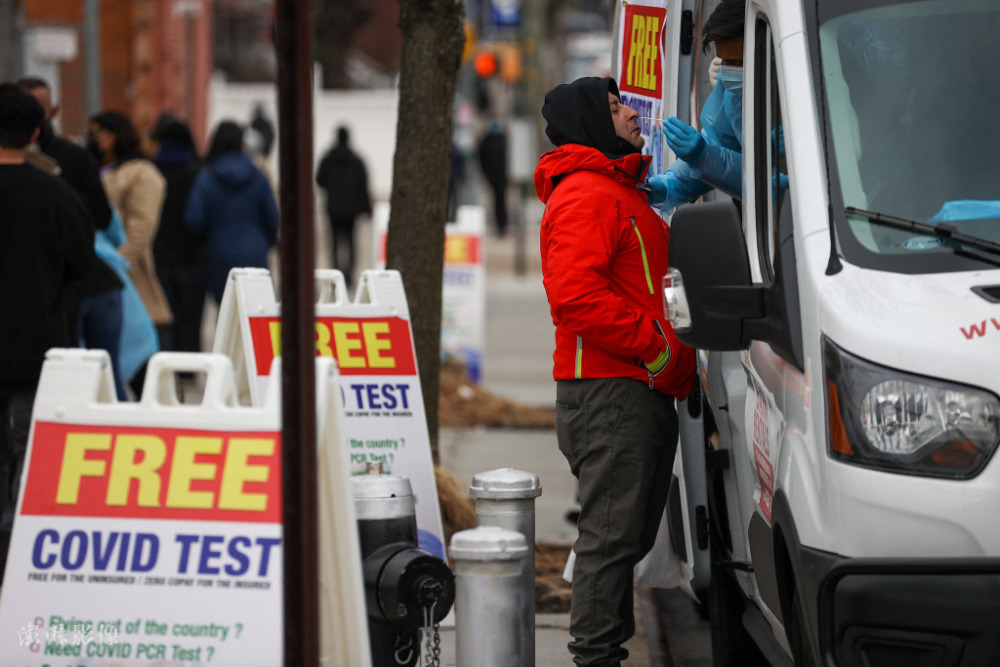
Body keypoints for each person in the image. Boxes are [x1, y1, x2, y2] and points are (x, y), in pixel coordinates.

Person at [535, 76, 697, 666]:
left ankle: (603, 653)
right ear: (591, 124)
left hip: (630, 391)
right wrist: (656, 350)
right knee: (608, 542)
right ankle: (597, 658)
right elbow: (574, 296)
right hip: (611, 392)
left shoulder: (615, 189)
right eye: (614, 107)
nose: (631, 112)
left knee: (622, 539)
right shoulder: (587, 193)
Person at [0, 83, 95, 573]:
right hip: (34, 351)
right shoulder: (55, 195)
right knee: (27, 456)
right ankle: (14, 559)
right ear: (36, 132)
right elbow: (83, 264)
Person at [17, 77, 128, 398]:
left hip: (88, 285)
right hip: (46, 288)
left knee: (102, 377)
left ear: (53, 110)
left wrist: (57, 189)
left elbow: (101, 214)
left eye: (37, 109)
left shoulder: (73, 158)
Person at [90, 110, 172, 396]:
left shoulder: (140, 172)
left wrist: (116, 260)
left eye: (103, 131)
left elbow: (142, 225)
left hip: (127, 273)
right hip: (99, 276)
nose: (97, 138)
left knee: (142, 362)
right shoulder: (99, 167)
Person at [647, 0, 745, 212]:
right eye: (723, 60)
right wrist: (670, 185)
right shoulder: (733, 94)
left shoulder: (801, 107)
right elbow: (720, 144)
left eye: (737, 63)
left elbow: (774, 185)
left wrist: (705, 156)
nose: (726, 71)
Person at [184, 120, 279, 304]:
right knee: (256, 310)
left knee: (228, 313)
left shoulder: (207, 177)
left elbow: (193, 218)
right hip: (255, 251)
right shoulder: (258, 175)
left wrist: (209, 239)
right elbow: (272, 214)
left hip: (218, 252)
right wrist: (267, 241)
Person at [151, 119, 205, 357]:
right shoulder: (197, 173)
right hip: (192, 254)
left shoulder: (152, 172)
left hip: (159, 253)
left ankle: (165, 362)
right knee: (191, 315)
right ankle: (188, 365)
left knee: (164, 313)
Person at [315, 126, 371, 287]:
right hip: (351, 210)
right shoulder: (357, 160)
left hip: (333, 208)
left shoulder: (327, 159)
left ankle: (335, 275)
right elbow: (363, 185)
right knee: (351, 243)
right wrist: (366, 209)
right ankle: (348, 276)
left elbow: (320, 180)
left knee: (333, 243)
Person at [478, 119, 510, 236]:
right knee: (498, 201)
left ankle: (502, 225)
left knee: (500, 201)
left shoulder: (498, 139)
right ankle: (500, 225)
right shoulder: (491, 140)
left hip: (500, 176)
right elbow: (482, 158)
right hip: (495, 176)